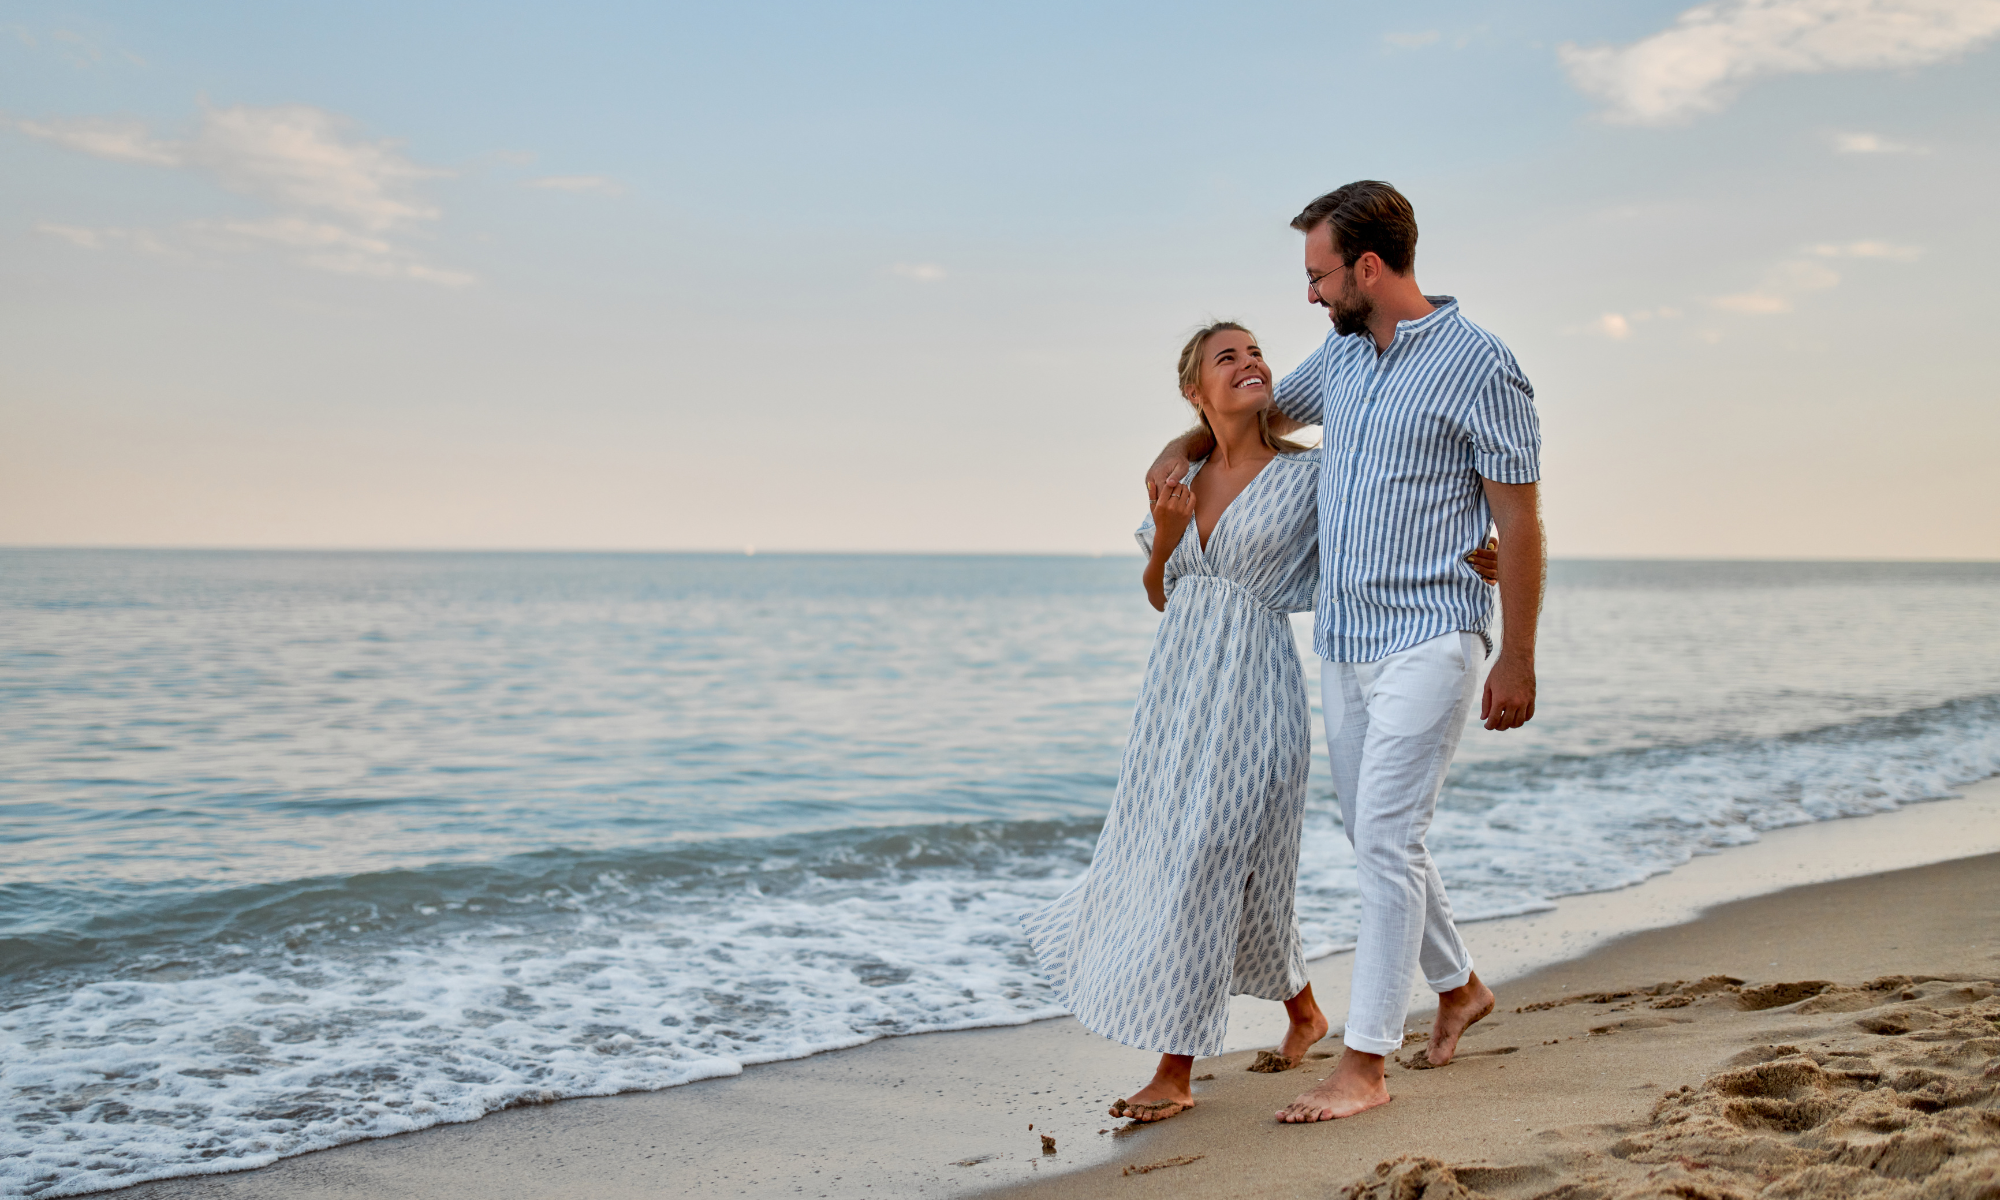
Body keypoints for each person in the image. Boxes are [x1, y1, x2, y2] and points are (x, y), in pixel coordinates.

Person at [1023, 321, 1499, 1124]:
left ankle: (1173, 1068)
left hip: (1257, 688)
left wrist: (1476, 547)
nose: (1250, 364)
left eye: (1255, 353)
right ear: (1194, 390)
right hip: (1175, 690)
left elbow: (1389, 521)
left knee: (1209, 853)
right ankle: (1305, 1013)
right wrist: (1168, 536)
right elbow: (1160, 591)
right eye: (1227, 357)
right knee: (1231, 864)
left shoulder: (1311, 476)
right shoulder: (1182, 476)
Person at [1145, 181, 1546, 1125]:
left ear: (1368, 267)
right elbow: (1246, 417)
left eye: (1320, 274)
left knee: (1388, 843)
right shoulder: (1343, 360)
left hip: (1434, 633)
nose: (1312, 296)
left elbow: (1521, 522)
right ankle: (1460, 987)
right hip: (1345, 640)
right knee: (1374, 834)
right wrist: (1173, 448)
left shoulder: (1483, 366)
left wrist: (1517, 654)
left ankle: (1364, 1061)